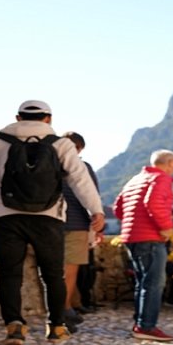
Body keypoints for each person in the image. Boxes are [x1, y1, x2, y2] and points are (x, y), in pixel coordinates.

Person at [0, 100, 104, 345]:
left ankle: (14, 326)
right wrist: (96, 210)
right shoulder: (61, 144)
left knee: (10, 274)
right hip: (49, 217)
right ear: (48, 118)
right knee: (53, 275)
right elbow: (80, 180)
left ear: (18, 117)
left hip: (6, 216)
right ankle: (57, 327)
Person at [114, 149, 173, 342]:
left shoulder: (135, 179)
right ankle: (147, 327)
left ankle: (140, 323)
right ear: (169, 163)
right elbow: (153, 203)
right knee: (154, 283)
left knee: (142, 282)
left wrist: (134, 224)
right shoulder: (161, 179)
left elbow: (119, 208)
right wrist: (166, 227)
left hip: (131, 237)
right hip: (150, 238)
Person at [59, 132, 97, 331]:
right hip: (75, 224)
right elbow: (91, 196)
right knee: (70, 272)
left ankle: (66, 309)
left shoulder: (49, 165)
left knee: (53, 272)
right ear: (80, 149)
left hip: (50, 223)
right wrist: (96, 220)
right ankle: (64, 311)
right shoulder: (83, 167)